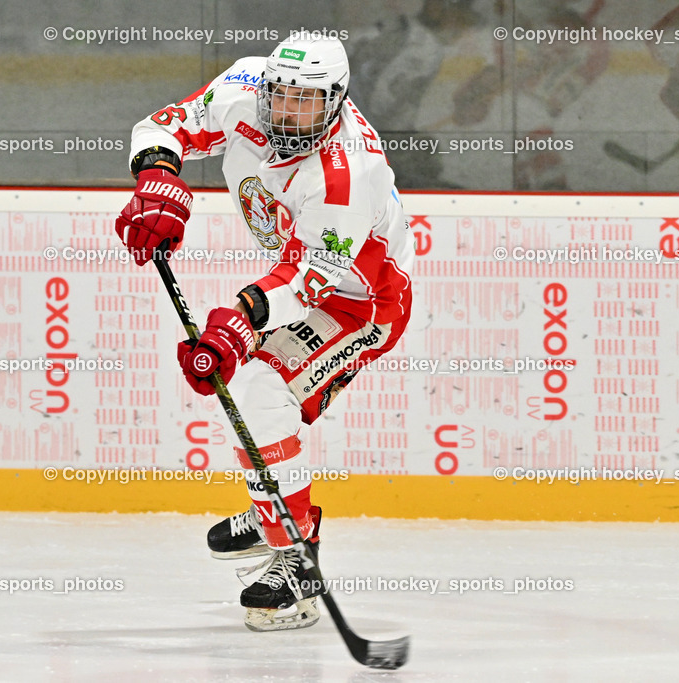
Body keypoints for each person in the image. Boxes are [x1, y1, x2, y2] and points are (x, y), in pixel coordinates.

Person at [115, 35, 415, 632]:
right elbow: (162, 126)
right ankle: (272, 504)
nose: (285, 115)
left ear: (336, 102)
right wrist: (158, 182)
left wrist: (235, 324)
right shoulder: (247, 88)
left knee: (256, 388)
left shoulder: (350, 171)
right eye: (280, 97)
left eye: (305, 103)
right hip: (304, 283)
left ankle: (296, 554)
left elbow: (311, 279)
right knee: (247, 401)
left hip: (360, 301)